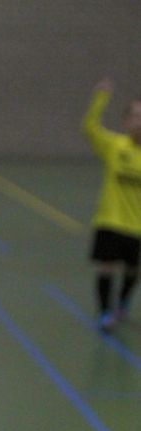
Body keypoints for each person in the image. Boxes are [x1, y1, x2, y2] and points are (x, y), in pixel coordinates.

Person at [82, 78, 141, 333]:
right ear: (126, 122)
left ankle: (123, 303)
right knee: (107, 267)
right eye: (135, 116)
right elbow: (90, 127)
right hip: (110, 220)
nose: (139, 121)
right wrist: (101, 98)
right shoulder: (115, 146)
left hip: (136, 225)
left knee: (132, 270)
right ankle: (106, 312)